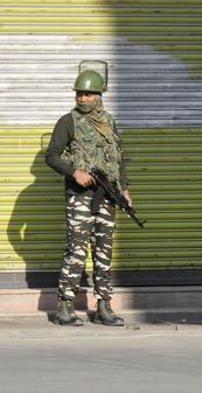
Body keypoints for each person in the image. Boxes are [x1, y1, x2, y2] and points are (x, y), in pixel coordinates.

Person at [45, 63, 130, 326]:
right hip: (80, 197)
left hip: (106, 196)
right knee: (76, 252)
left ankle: (104, 306)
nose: (83, 98)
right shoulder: (67, 122)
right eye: (79, 93)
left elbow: (119, 159)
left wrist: (125, 190)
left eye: (88, 94)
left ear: (99, 95)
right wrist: (74, 173)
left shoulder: (110, 122)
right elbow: (52, 156)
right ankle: (65, 307)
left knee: (103, 253)